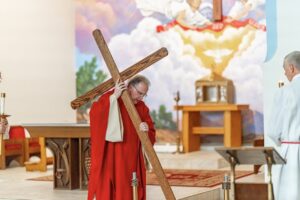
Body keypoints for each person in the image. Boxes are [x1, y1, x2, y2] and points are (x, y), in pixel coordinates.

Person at [87, 75, 156, 200]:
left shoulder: (142, 107)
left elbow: (151, 130)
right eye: (139, 93)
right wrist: (114, 98)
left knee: (129, 189)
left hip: (131, 157)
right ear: (129, 87)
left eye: (144, 95)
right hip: (112, 154)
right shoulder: (113, 97)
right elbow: (95, 113)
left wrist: (146, 128)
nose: (141, 97)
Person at [268, 51, 300, 200]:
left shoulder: (284, 92)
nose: (285, 73)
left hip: (290, 152)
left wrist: (284, 142)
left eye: (285, 68)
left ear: (292, 68)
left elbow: (274, 131)